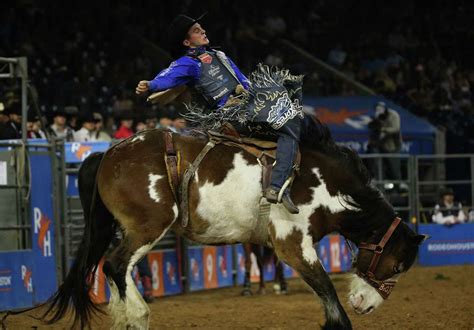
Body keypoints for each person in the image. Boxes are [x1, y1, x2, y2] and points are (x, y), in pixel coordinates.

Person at [135, 14, 303, 213]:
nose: (203, 31)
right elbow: (168, 77)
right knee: (290, 126)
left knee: (291, 101)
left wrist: (256, 93)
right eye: (197, 31)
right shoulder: (188, 63)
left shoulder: (219, 55)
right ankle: (277, 186)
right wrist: (150, 84)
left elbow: (243, 81)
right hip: (232, 114)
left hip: (249, 105)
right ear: (187, 42)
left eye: (202, 28)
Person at [367, 101, 402, 181]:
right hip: (381, 145)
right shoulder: (377, 116)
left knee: (394, 168)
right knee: (379, 168)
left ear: (385, 109)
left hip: (393, 145)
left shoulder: (393, 115)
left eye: (381, 109)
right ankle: (382, 189)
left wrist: (382, 129)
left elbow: (396, 129)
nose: (379, 111)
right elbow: (373, 128)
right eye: (377, 109)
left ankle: (398, 189)